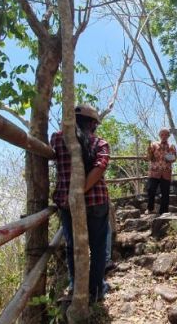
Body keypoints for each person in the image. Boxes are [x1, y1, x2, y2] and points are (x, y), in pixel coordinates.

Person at [51, 104, 110, 303]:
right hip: (95, 201)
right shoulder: (100, 143)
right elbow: (100, 167)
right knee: (98, 245)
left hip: (67, 203)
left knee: (72, 245)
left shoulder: (58, 139)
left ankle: (76, 285)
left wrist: (74, 195)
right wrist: (82, 190)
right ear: (93, 124)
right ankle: (95, 289)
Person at [146, 128, 177, 214]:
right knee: (150, 189)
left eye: (166, 135)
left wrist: (168, 157)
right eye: (162, 134)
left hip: (166, 172)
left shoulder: (171, 146)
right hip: (154, 172)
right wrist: (149, 152)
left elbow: (174, 158)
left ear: (168, 136)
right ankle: (150, 208)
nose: (164, 136)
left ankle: (163, 212)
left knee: (165, 193)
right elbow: (148, 158)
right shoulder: (153, 144)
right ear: (159, 135)